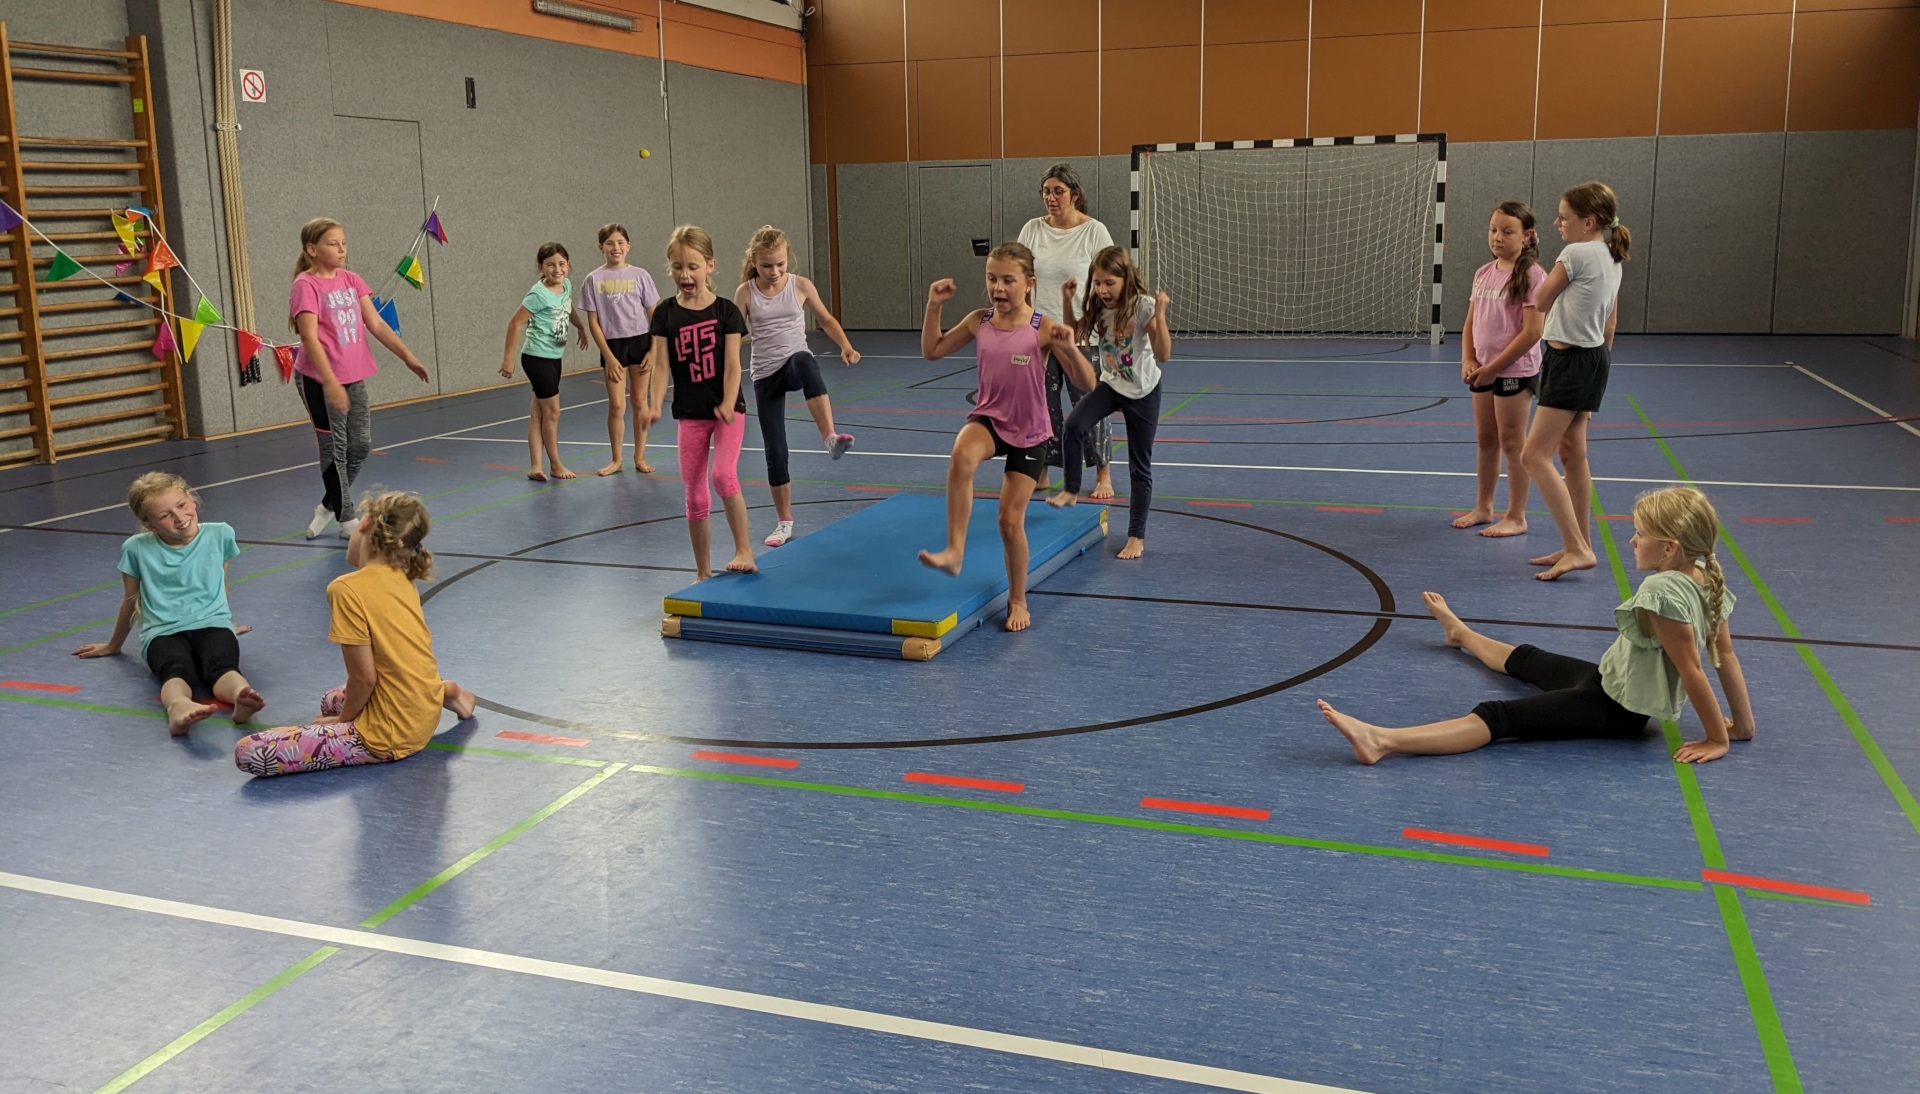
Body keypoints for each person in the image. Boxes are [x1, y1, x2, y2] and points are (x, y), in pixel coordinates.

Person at [1317, 487, 1753, 766]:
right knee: (1529, 659)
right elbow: (1726, 656)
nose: (1632, 540)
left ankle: (1382, 741)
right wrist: (1742, 726)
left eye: (1640, 534)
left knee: (1499, 715)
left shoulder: (1662, 593)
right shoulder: (1705, 577)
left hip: (1616, 709)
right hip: (1608, 682)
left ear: (1670, 547)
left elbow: (1695, 669)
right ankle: (1461, 634)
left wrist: (1717, 738)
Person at [234, 491, 475, 777]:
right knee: (330, 699)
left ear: (364, 523)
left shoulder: (346, 589)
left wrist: (340, 722)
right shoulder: (403, 575)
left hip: (389, 736)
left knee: (249, 752)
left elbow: (364, 678)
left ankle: (436, 692)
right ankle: (440, 691)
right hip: (422, 711)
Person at [918, 242, 1090, 632]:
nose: (998, 287)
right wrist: (933, 306)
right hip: (991, 419)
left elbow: (1086, 382)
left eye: (1008, 280)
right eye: (991, 278)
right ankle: (955, 551)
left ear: (1029, 284)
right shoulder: (979, 320)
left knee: (1009, 521)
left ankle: (1018, 598)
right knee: (961, 456)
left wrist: (1070, 350)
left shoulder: (1041, 328)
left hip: (1030, 433)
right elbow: (932, 350)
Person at [74, 472, 265, 735]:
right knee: (175, 669)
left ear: (192, 500)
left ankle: (241, 698)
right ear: (150, 525)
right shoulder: (136, 548)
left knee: (222, 664)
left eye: (181, 505)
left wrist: (226, 621)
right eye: (165, 515)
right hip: (162, 632)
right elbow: (130, 601)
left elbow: (220, 581)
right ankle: (178, 707)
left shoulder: (221, 534)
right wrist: (113, 645)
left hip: (212, 623)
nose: (178, 517)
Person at [288, 217, 431, 539]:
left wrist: (408, 357)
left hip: (353, 376)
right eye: (332, 243)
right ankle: (347, 519)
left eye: (343, 243)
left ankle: (328, 505)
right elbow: (309, 338)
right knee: (334, 449)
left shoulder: (351, 280)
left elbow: (376, 325)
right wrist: (331, 383)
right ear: (312, 249)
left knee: (361, 445)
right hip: (319, 380)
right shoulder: (305, 286)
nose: (341, 249)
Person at [1524, 182, 1630, 580]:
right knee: (1572, 455)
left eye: (1564, 218)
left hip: (1569, 362)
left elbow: (1541, 300)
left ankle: (1577, 547)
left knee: (1533, 455)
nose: (1557, 224)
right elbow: (1611, 323)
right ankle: (1579, 542)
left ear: (1589, 222)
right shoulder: (1612, 254)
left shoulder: (1578, 252)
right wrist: (1597, 375)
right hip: (1594, 359)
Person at [641, 225, 756, 579]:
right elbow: (661, 365)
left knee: (723, 475)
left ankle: (744, 550)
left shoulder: (726, 312)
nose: (685, 274)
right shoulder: (664, 314)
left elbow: (734, 364)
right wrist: (654, 402)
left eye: (692, 266)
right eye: (677, 267)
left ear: (710, 265)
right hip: (690, 414)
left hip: (727, 412)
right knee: (695, 495)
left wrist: (725, 402)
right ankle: (702, 571)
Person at [734, 225, 860, 547]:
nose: (774, 272)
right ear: (754, 261)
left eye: (780, 264)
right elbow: (732, 339)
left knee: (805, 361)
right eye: (766, 266)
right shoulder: (746, 293)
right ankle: (784, 521)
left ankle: (830, 438)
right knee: (775, 451)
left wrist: (845, 345)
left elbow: (826, 319)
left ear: (788, 257)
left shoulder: (800, 286)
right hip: (765, 375)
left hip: (792, 362)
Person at [1045, 245, 1171, 560]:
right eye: (1098, 283)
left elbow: (1163, 354)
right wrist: (1066, 299)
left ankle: (1136, 537)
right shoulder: (1098, 306)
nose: (1102, 290)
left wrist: (1161, 314)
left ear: (1125, 279)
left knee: (1139, 467)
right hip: (1111, 384)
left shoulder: (1142, 306)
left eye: (1109, 283)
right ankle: (1072, 488)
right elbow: (1072, 333)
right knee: (1073, 425)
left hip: (1143, 392)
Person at [1017, 164, 1114, 496]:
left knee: (1090, 403)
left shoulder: (1094, 232)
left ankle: (1103, 475)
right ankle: (1041, 471)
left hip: (1083, 336)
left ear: (1075, 194)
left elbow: (1108, 279)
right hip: (1039, 335)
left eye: (1058, 191)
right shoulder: (1031, 229)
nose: (1051, 197)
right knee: (1042, 407)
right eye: (1046, 191)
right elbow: (1021, 278)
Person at [1453, 202, 1546, 538]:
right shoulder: (1483, 272)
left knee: (1512, 443)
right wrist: (1469, 359)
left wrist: (1494, 367)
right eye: (1494, 229)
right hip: (1483, 370)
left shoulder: (1534, 276)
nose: (1498, 237)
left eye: (1507, 231)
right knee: (1485, 440)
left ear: (1527, 235)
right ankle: (1483, 507)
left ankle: (1517, 516)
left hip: (1514, 371)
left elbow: (1533, 332)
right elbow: (1470, 322)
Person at [499, 242, 590, 481]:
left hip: (553, 358)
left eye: (561, 264)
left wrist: (581, 328)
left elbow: (568, 308)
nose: (557, 269)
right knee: (553, 412)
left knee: (538, 413)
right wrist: (508, 359)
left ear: (568, 265)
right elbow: (515, 323)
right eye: (551, 265)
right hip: (537, 358)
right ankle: (556, 464)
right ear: (541, 267)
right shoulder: (538, 294)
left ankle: (535, 466)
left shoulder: (566, 285)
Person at [577, 224, 662, 476]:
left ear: (628, 246)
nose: (616, 247)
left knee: (639, 400)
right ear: (601, 247)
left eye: (620, 243)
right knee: (616, 405)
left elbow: (654, 316)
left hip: (640, 341)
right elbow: (593, 322)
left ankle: (640, 456)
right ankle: (616, 459)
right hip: (612, 344)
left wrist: (653, 350)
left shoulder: (641, 275)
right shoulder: (593, 279)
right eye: (610, 243)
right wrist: (608, 356)